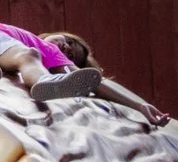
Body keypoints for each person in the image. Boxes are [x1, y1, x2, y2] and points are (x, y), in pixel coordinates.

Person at [39, 32, 170, 125]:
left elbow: (92, 83)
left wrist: (140, 107)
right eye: (69, 41)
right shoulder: (28, 39)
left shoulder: (53, 53)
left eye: (70, 56)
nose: (66, 47)